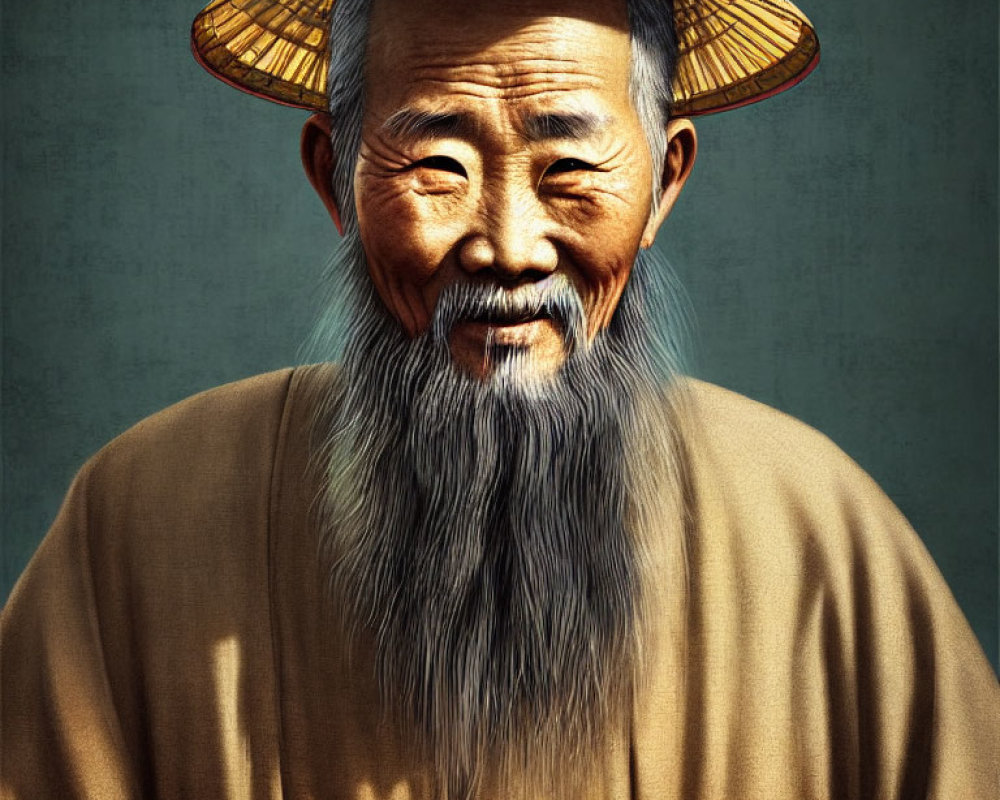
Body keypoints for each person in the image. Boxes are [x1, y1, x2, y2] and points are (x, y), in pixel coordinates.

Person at [2, 0, 997, 797]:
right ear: (333, 179)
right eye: (438, 166)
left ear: (664, 179)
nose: (508, 244)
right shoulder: (139, 522)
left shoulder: (819, 538)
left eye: (568, 168)